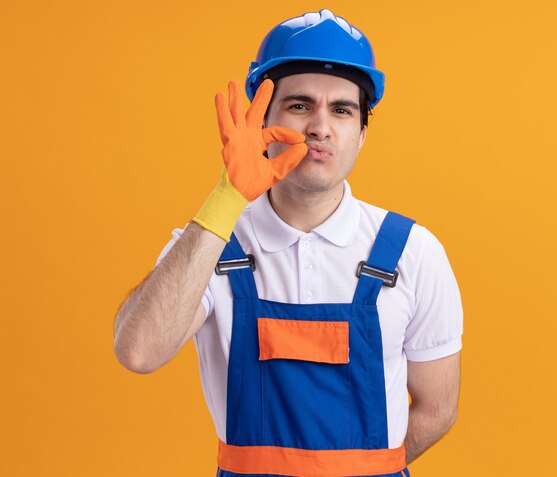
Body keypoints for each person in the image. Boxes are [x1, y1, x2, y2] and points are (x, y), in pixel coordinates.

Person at [113, 8, 463, 476]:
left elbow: (437, 409)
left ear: (361, 134)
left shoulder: (412, 252)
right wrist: (226, 199)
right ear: (260, 123)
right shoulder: (214, 245)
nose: (319, 127)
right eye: (299, 105)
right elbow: (138, 352)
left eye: (342, 110)